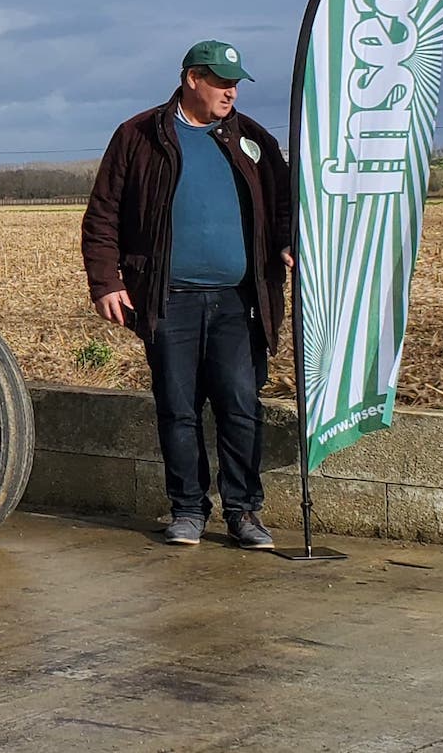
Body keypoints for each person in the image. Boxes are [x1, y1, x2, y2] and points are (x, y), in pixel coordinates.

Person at [81, 40, 293, 550]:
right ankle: (188, 509)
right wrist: (106, 283)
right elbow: (103, 214)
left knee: (240, 406)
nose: (231, 92)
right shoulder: (139, 136)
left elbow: (285, 203)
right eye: (221, 81)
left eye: (236, 83)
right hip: (168, 299)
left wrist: (290, 243)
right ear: (191, 78)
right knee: (177, 408)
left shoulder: (252, 139)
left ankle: (244, 512)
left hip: (239, 300)